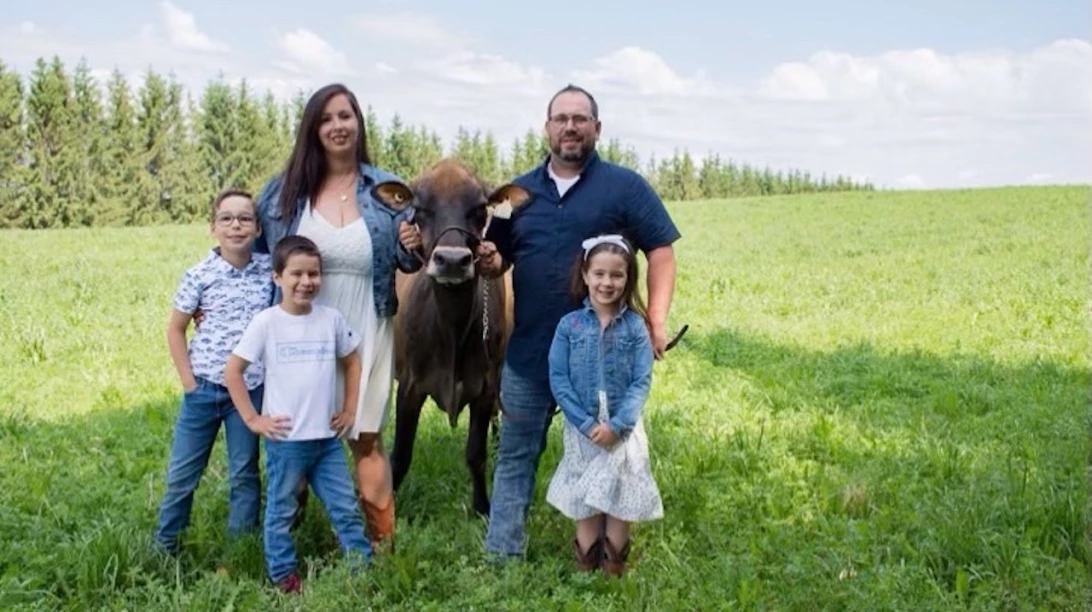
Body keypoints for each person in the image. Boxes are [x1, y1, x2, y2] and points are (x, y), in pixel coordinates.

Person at [474, 84, 681, 560]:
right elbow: (497, 258)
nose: (570, 126)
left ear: (597, 128)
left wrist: (657, 320)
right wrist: (488, 260)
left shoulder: (625, 187)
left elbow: (662, 251)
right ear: (547, 128)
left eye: (580, 118)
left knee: (611, 454)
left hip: (605, 362)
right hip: (529, 355)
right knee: (515, 455)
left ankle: (604, 556)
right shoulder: (516, 193)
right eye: (561, 118)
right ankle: (502, 555)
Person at [252, 83, 423, 553]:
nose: (337, 126)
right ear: (313, 128)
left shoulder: (386, 191)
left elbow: (410, 264)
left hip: (366, 326)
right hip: (297, 333)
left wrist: (414, 245)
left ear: (358, 123)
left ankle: (381, 543)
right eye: (326, 118)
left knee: (365, 437)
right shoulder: (285, 192)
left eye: (345, 116)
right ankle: (288, 535)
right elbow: (255, 255)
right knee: (295, 434)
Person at [224, 235, 371, 595]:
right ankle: (284, 576)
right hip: (286, 442)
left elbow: (352, 360)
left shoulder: (330, 319)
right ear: (277, 277)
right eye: (297, 274)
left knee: (346, 508)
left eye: (314, 274)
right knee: (281, 512)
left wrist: (350, 408)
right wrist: (253, 419)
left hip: (326, 441)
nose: (306, 282)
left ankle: (362, 569)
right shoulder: (267, 323)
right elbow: (233, 371)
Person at [154, 188, 272, 556]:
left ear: (257, 228)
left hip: (249, 392)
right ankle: (164, 546)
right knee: (182, 475)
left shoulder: (270, 272)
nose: (235, 225)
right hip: (204, 389)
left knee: (244, 473)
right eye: (226, 218)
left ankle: (240, 550)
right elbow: (176, 329)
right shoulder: (199, 275)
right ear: (213, 228)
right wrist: (189, 383)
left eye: (244, 219)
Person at [544, 234, 663, 578]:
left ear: (628, 279)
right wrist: (584, 424)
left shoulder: (636, 327)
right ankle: (585, 569)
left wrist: (619, 426)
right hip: (583, 429)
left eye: (616, 275)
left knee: (620, 490)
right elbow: (559, 378)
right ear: (585, 275)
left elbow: (641, 381)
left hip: (623, 430)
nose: (606, 283)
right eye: (599, 274)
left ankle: (613, 572)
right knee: (586, 494)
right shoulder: (569, 326)